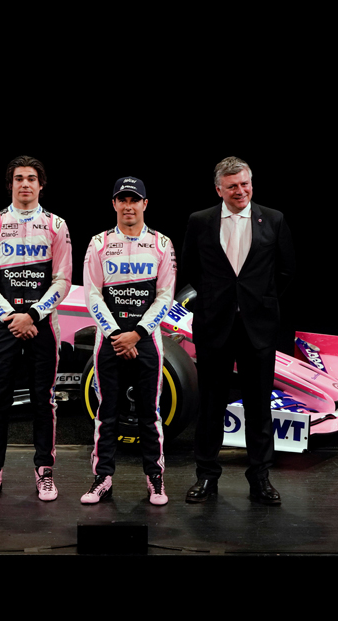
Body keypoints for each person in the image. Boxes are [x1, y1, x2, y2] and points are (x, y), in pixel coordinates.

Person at [182, 156, 295, 505]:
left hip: (258, 327)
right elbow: (191, 268)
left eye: (245, 184)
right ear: (219, 189)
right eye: (232, 186)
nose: (240, 191)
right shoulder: (200, 221)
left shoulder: (273, 219)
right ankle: (206, 476)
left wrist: (259, 301)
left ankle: (260, 478)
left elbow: (286, 271)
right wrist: (216, 301)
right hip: (214, 326)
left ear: (251, 184)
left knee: (259, 406)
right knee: (211, 404)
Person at [0, 155, 72, 501]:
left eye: (31, 178)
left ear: (41, 184)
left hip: (43, 325)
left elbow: (63, 280)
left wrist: (34, 315)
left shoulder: (56, 225)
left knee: (44, 400)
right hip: (3, 325)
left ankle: (44, 472)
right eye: (19, 178)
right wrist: (12, 317)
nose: (25, 184)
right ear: (10, 184)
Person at [82, 176, 176, 506]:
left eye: (134, 199)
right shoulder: (98, 243)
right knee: (106, 412)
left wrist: (137, 334)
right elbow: (92, 294)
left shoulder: (162, 243)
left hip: (146, 340)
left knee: (150, 413)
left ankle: (155, 478)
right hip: (109, 340)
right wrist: (115, 335)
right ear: (114, 204)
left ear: (144, 204)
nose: (128, 205)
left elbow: (165, 296)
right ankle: (102, 478)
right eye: (122, 199)